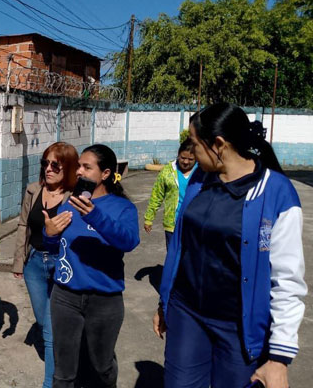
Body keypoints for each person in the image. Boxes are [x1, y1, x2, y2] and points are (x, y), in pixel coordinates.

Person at [154, 103, 306, 388]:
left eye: (195, 144)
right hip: (187, 313)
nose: (191, 153)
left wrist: (279, 358)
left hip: (238, 327)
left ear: (219, 144)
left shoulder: (276, 193)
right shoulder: (200, 180)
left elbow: (287, 280)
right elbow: (181, 248)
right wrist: (165, 301)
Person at [43, 144, 140, 388]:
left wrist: (95, 216)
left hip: (104, 300)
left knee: (102, 366)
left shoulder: (122, 208)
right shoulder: (69, 204)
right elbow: (58, 248)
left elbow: (128, 242)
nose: (79, 172)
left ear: (105, 174)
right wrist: (49, 234)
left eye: (87, 167)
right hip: (65, 298)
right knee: (63, 372)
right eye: (78, 167)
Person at [12, 142, 78, 388]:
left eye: (55, 165)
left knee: (50, 331)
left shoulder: (75, 197)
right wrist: (19, 261)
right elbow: (23, 226)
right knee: (42, 321)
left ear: (68, 167)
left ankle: (50, 383)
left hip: (62, 266)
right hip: (35, 265)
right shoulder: (32, 191)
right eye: (45, 163)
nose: (48, 169)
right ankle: (67, 359)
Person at [143, 139, 196, 248]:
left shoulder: (202, 172)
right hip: (172, 224)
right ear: (178, 155)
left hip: (194, 223)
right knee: (172, 256)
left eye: (190, 159)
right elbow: (156, 195)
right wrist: (149, 218)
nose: (186, 162)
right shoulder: (168, 171)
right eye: (183, 158)